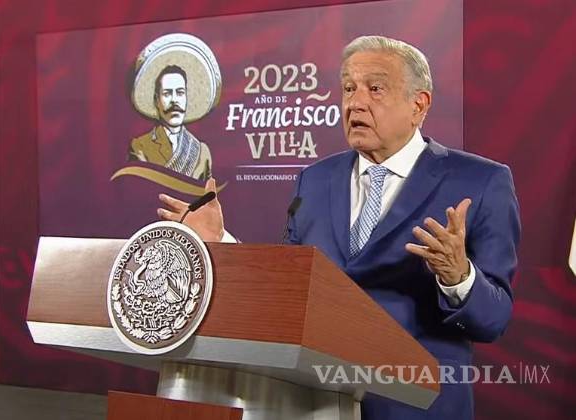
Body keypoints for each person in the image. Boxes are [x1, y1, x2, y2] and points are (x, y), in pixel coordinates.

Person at [157, 36, 520, 420]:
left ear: (419, 104)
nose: (355, 103)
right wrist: (220, 242)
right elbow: (290, 284)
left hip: (415, 405)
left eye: (375, 88)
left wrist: (458, 277)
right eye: (348, 88)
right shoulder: (315, 180)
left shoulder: (480, 182)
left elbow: (494, 319)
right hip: (313, 402)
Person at [129, 65, 212, 180]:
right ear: (157, 100)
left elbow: (208, 190)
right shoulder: (140, 147)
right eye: (167, 94)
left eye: (180, 93)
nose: (174, 100)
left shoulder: (201, 151)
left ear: (186, 98)